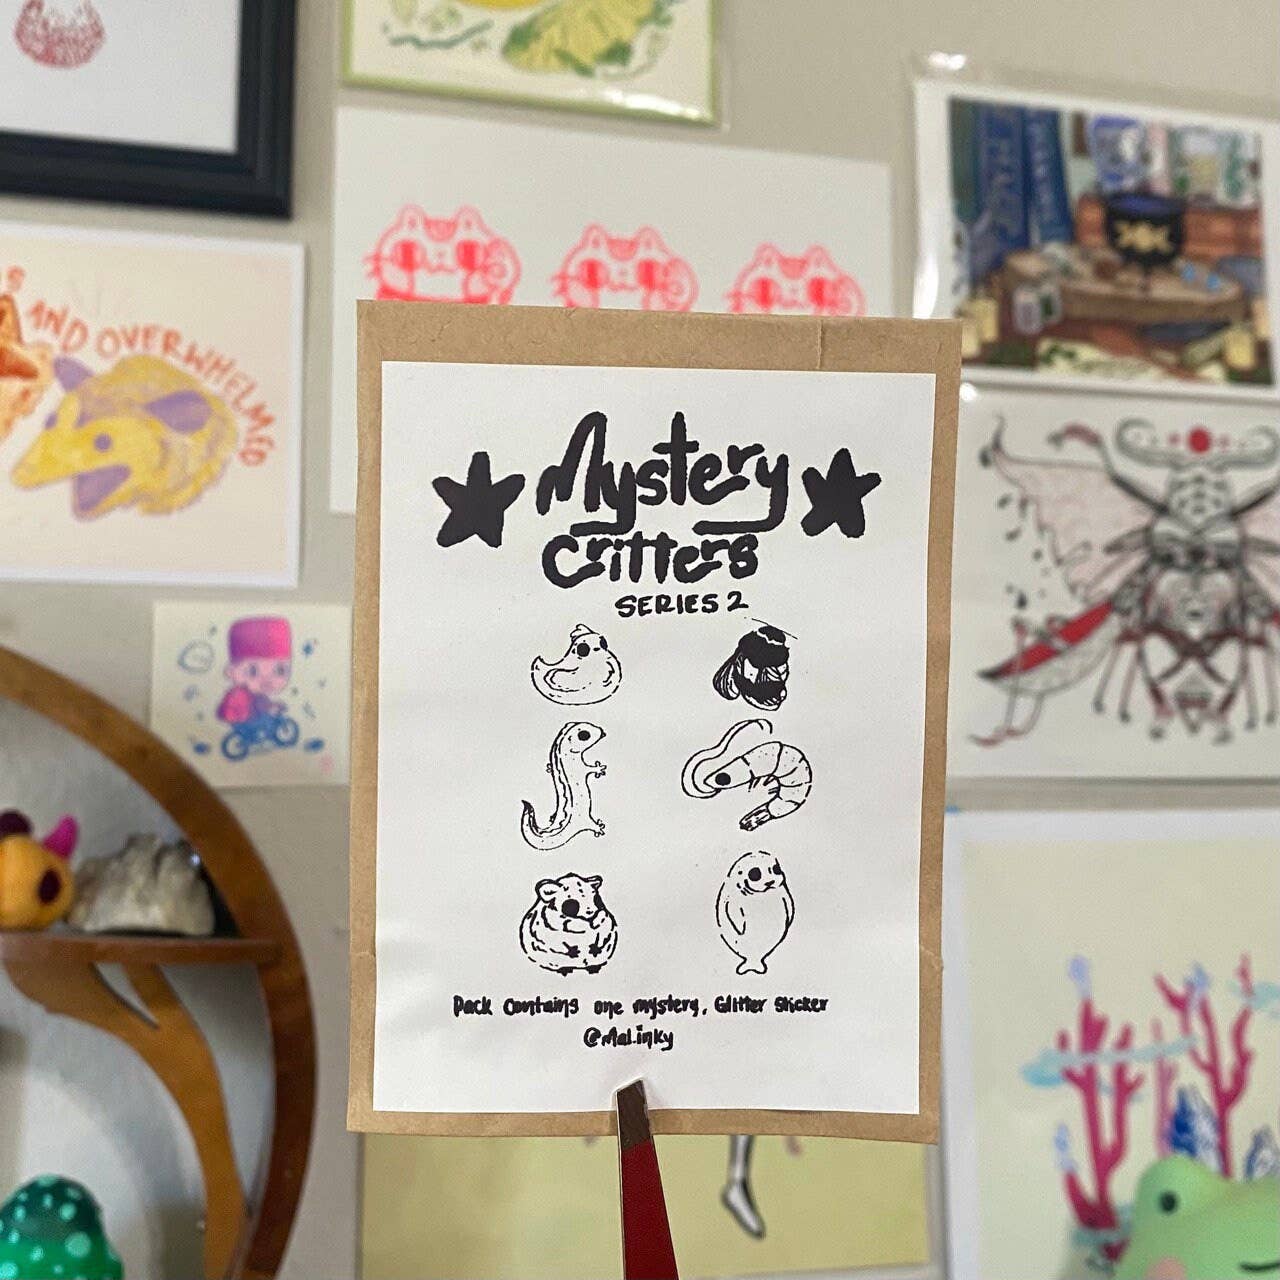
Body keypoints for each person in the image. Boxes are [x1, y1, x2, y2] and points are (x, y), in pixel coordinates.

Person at [217, 617, 293, 738]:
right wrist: (272, 707)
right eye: (252, 671)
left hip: (242, 721)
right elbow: (261, 706)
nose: (267, 680)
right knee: (265, 721)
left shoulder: (255, 695)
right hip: (246, 720)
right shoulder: (244, 695)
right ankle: (260, 736)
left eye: (280, 670)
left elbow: (264, 704)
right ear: (231, 671)